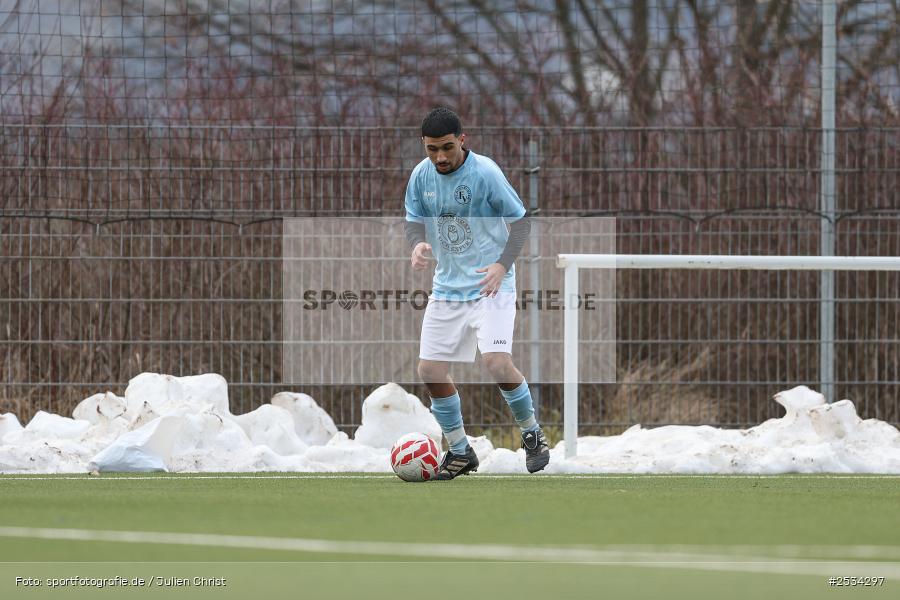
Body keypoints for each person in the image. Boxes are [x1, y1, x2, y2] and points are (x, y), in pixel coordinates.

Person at [404, 107, 550, 480]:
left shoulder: (485, 173)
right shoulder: (421, 175)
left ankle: (532, 433)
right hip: (446, 289)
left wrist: (502, 265)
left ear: (462, 140)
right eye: (432, 149)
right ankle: (459, 450)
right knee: (430, 370)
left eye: (447, 147)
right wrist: (417, 244)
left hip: (491, 287)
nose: (440, 156)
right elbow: (414, 219)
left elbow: (521, 222)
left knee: (497, 362)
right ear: (424, 145)